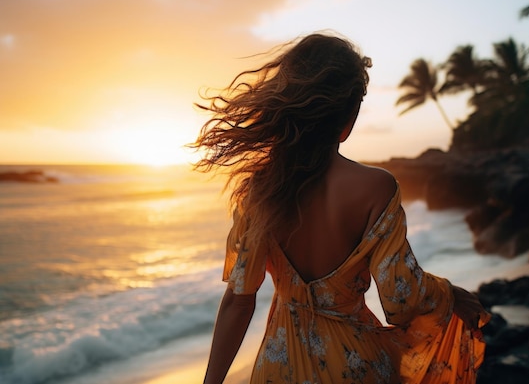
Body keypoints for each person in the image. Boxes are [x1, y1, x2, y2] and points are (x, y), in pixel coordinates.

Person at [191, 32, 490, 384]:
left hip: (279, 368)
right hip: (358, 368)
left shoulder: (262, 191)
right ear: (349, 115)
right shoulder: (376, 186)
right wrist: (451, 294)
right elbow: (401, 301)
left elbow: (239, 301)